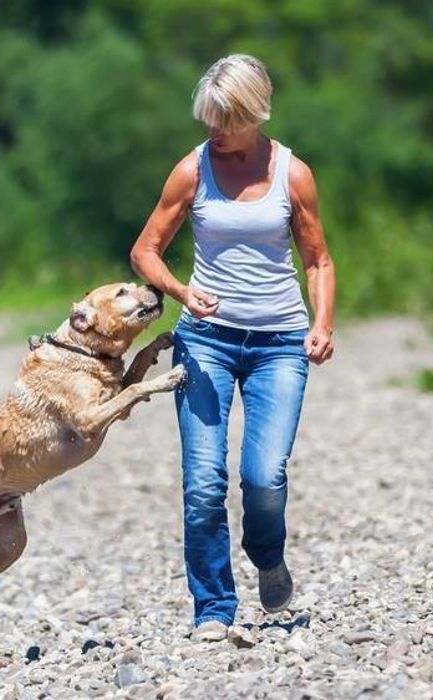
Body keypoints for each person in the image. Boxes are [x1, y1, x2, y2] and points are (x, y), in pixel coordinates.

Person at [129, 54, 336, 642]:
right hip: (206, 344)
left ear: (253, 112)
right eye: (208, 116)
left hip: (279, 344)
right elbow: (146, 250)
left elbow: (317, 258)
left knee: (264, 476)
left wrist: (322, 322)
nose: (213, 128)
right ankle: (214, 609)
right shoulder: (192, 170)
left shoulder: (293, 173)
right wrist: (177, 290)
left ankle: (267, 556)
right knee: (202, 483)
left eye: (224, 117)